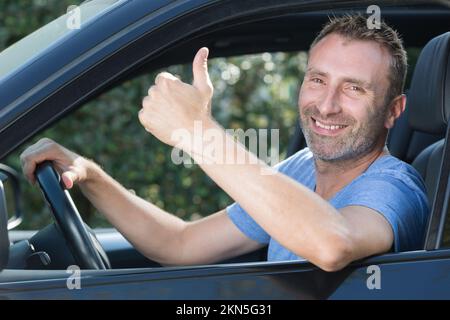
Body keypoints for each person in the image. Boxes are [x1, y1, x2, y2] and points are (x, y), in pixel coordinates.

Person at [20, 14, 429, 272]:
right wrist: (88, 173)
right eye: (318, 79)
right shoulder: (302, 169)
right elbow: (179, 244)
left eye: (354, 88)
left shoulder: (395, 186)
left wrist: (198, 132)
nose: (327, 104)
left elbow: (332, 244)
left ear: (394, 110)